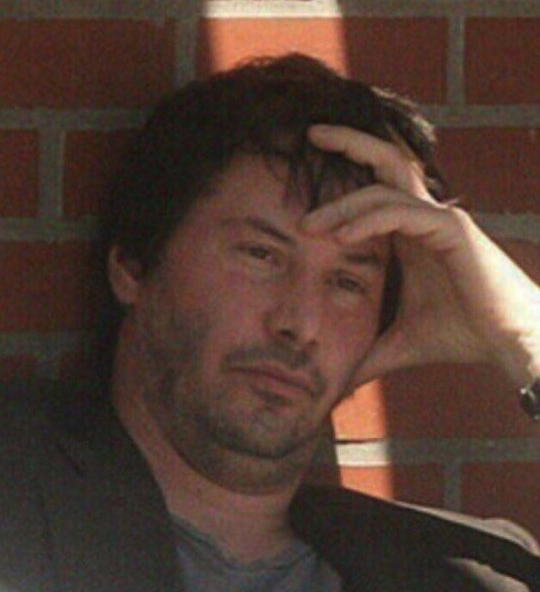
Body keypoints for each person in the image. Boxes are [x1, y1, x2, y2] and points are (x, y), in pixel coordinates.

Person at [1, 54, 539, 592]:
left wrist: (525, 336)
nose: (301, 323)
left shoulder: (476, 570)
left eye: (347, 282)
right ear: (135, 263)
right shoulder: (18, 488)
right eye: (261, 255)